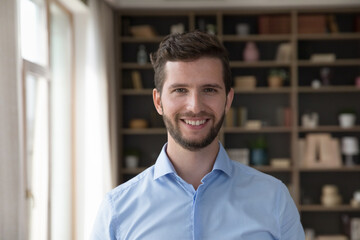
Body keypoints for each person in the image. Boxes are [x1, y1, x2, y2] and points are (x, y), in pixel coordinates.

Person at [91, 31, 305, 240]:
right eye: (180, 90)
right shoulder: (117, 210)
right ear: (158, 101)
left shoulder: (274, 199)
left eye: (209, 90)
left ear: (228, 100)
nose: (195, 107)